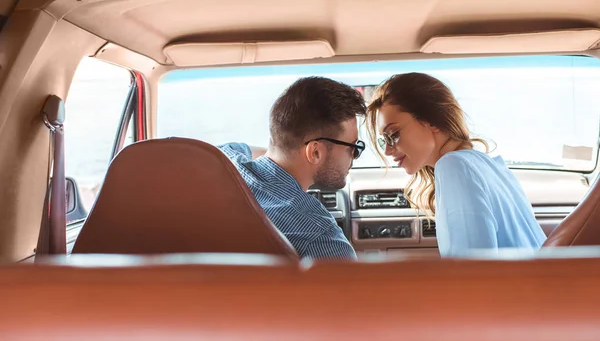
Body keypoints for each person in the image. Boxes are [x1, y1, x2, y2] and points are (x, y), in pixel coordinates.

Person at [365, 72, 546, 257]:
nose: (387, 150)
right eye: (383, 140)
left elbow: (470, 273)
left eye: (393, 134)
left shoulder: (454, 166)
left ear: (432, 120)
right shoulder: (490, 166)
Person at [219, 76, 366, 260]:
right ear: (315, 152)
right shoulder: (322, 238)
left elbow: (247, 150)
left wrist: (287, 149)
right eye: (353, 148)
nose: (354, 156)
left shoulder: (224, 160)